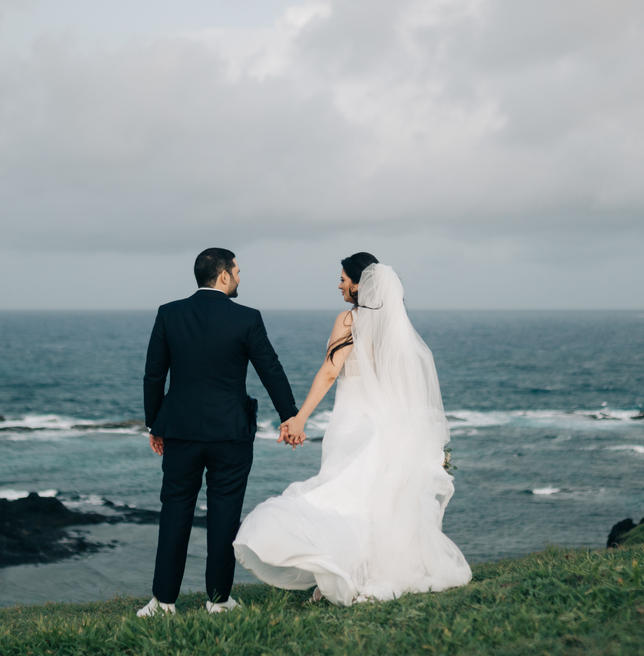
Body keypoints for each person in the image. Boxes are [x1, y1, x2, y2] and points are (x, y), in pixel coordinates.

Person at [233, 253, 471, 606]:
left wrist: (299, 419)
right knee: (374, 501)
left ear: (361, 285)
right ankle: (357, 571)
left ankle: (340, 571)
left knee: (341, 494)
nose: (340, 285)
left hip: (353, 422)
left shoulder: (348, 320)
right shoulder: (396, 326)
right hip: (388, 425)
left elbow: (329, 373)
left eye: (344, 279)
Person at [137, 247, 301, 617]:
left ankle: (163, 602)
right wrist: (289, 416)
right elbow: (270, 369)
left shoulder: (169, 314)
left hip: (178, 431)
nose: (240, 278)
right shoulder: (246, 318)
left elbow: (153, 374)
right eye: (238, 271)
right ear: (224, 275)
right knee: (225, 514)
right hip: (230, 433)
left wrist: (154, 423)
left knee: (175, 510)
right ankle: (218, 599)